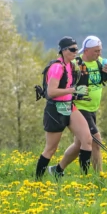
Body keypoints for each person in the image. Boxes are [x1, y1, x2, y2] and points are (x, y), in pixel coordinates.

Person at [48, 35, 107, 177]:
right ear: (87, 50)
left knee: (80, 145)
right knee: (96, 141)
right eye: (96, 51)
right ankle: (98, 176)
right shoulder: (76, 64)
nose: (99, 53)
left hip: (93, 108)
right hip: (79, 107)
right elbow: (65, 82)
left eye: (100, 50)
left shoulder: (101, 63)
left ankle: (57, 170)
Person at [34, 36, 94, 180]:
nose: (75, 52)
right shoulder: (57, 67)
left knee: (87, 140)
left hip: (69, 106)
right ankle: (37, 182)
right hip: (55, 110)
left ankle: (85, 179)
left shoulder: (70, 65)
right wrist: (73, 90)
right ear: (63, 50)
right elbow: (51, 92)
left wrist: (77, 94)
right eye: (72, 50)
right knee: (50, 149)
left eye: (76, 49)